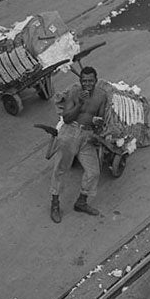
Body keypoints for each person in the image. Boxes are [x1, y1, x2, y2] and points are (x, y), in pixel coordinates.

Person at [48, 66, 109, 223]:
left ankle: (81, 202)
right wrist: (79, 104)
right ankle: (55, 204)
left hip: (87, 136)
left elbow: (100, 119)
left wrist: (97, 129)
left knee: (94, 172)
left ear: (96, 81)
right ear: (80, 81)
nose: (87, 84)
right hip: (70, 132)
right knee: (60, 170)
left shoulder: (102, 95)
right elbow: (67, 118)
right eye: (84, 81)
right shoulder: (75, 92)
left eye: (90, 81)